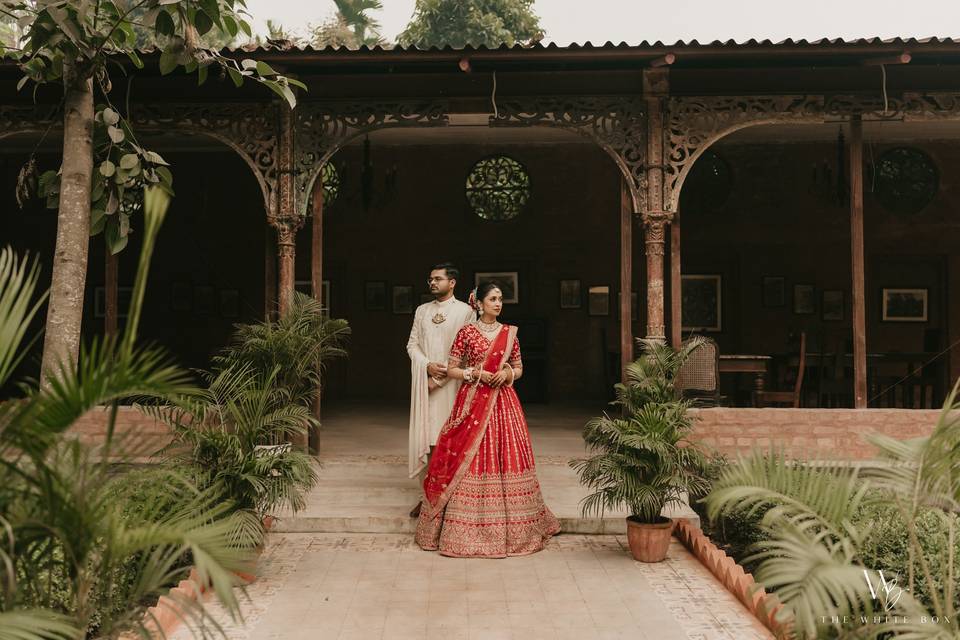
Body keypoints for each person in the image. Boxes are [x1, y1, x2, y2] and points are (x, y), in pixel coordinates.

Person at [414, 281, 560, 557]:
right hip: (472, 401)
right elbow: (453, 368)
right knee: (464, 455)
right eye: (492, 299)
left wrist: (507, 375)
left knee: (507, 455)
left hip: (503, 404)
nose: (498, 303)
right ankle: (461, 527)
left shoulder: (509, 334)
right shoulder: (467, 333)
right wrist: (474, 374)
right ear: (478, 304)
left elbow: (518, 368)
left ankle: (517, 526)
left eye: (500, 299)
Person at [406, 263, 475, 517]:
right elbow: (412, 345)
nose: (432, 283)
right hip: (424, 385)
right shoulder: (422, 311)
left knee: (449, 439)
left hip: (452, 386)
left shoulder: (466, 312)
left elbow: (467, 352)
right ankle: (427, 496)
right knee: (428, 439)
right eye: (430, 279)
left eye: (438, 279)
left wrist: (441, 378)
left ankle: (449, 497)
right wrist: (426, 366)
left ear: (452, 282)